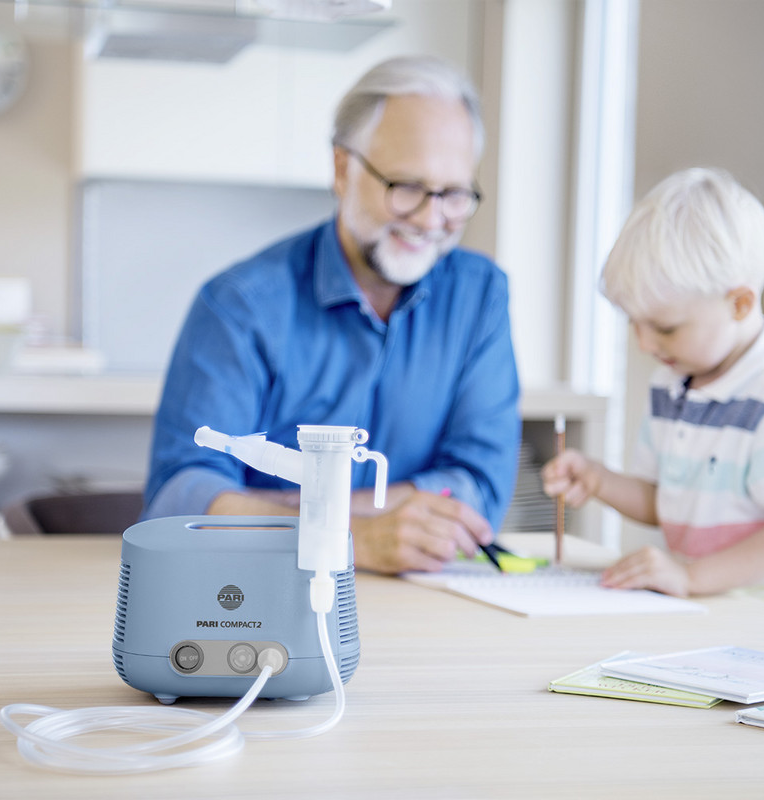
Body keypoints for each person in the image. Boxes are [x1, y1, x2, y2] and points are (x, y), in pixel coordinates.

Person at [142, 55, 521, 575]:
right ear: (343, 169)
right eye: (407, 187)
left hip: (426, 601)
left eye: (453, 194)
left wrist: (276, 512)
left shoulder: (480, 296)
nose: (432, 220)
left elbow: (479, 487)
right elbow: (181, 498)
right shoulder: (241, 305)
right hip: (263, 595)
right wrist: (355, 537)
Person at [542, 168, 764, 605]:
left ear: (739, 303)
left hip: (762, 623)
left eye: (665, 328)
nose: (644, 343)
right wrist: (599, 480)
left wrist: (691, 576)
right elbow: (665, 501)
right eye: (635, 324)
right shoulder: (670, 385)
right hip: (695, 610)